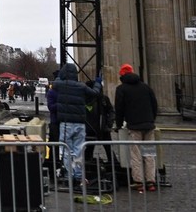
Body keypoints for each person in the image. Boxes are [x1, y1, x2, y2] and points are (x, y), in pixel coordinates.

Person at [52, 62, 102, 193]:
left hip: (66, 123)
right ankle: (79, 176)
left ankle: (69, 176)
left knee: (66, 151)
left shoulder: (60, 85)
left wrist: (60, 75)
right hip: (80, 123)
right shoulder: (81, 86)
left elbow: (55, 83)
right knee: (79, 151)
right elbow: (95, 93)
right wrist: (98, 82)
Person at [114, 63, 159, 192]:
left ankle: (139, 182)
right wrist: (151, 118)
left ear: (122, 75)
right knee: (149, 154)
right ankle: (151, 181)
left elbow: (119, 109)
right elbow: (154, 104)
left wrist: (118, 124)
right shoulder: (145, 87)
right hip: (149, 124)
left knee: (136, 154)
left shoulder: (121, 89)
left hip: (134, 125)